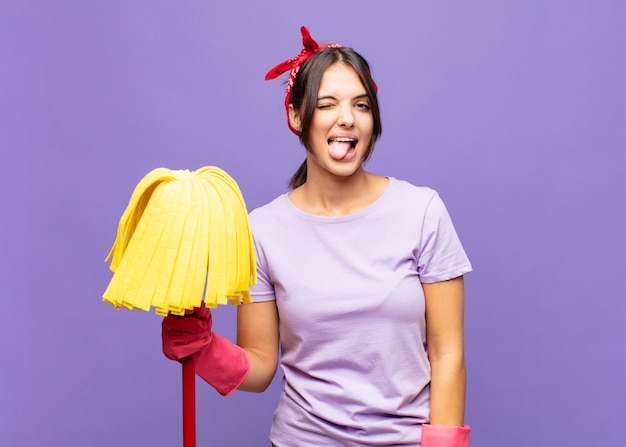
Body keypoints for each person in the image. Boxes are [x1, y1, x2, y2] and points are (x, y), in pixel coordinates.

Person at [162, 26, 472, 447]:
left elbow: (447, 354)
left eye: (361, 105)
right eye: (328, 104)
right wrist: (202, 347)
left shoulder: (422, 212)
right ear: (296, 116)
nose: (347, 117)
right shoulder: (262, 230)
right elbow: (259, 367)